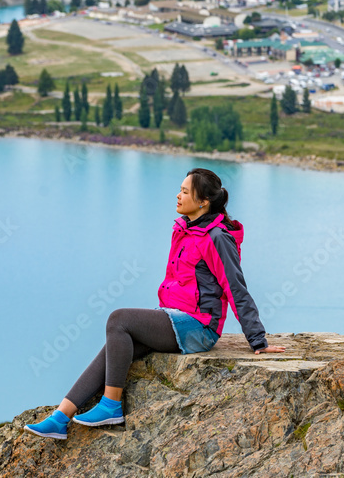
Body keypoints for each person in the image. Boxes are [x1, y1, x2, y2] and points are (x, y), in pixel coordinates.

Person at [24, 168, 286, 440]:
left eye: (185, 191)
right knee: (116, 346)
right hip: (175, 317)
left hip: (200, 327)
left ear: (203, 201)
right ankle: (60, 417)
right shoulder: (186, 229)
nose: (178, 194)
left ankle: (111, 405)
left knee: (118, 319)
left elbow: (235, 288)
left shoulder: (217, 238)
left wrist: (258, 340)